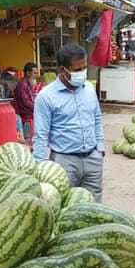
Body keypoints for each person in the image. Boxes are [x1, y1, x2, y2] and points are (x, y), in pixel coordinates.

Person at [33, 44, 105, 202]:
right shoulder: (46, 97)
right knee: (66, 206)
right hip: (64, 162)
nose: (82, 73)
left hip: (92, 158)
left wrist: (100, 148)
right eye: (77, 70)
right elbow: (41, 134)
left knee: (95, 206)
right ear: (62, 70)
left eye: (84, 68)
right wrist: (40, 166)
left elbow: (97, 119)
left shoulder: (89, 89)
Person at [14, 62, 38, 142]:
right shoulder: (23, 85)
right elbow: (26, 102)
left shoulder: (27, 84)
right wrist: (37, 107)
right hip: (25, 113)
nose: (36, 75)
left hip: (29, 112)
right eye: (34, 73)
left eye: (36, 73)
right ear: (27, 73)